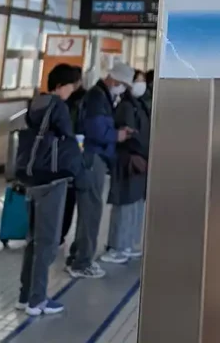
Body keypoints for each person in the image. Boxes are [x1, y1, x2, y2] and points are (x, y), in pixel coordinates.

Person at [15, 63, 88, 316]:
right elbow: (67, 138)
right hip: (52, 179)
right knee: (47, 241)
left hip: (32, 177)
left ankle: (25, 295)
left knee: (33, 240)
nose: (71, 91)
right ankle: (38, 300)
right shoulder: (58, 106)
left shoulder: (37, 103)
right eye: (70, 86)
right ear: (60, 86)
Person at [67, 61, 134, 279]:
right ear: (114, 80)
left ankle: (77, 256)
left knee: (90, 210)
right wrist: (117, 136)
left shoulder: (102, 96)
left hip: (94, 157)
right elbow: (95, 129)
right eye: (123, 84)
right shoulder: (97, 97)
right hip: (92, 158)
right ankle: (82, 263)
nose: (122, 89)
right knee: (91, 211)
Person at [103, 70, 151, 263]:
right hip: (129, 161)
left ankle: (129, 243)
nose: (141, 85)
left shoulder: (140, 105)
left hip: (141, 160)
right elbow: (130, 134)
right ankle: (117, 246)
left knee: (136, 203)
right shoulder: (126, 107)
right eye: (137, 81)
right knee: (124, 204)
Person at [59, 66, 85, 246]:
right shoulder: (59, 103)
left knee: (68, 196)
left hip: (71, 154)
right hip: (63, 156)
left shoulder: (82, 100)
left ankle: (60, 233)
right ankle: (58, 232)